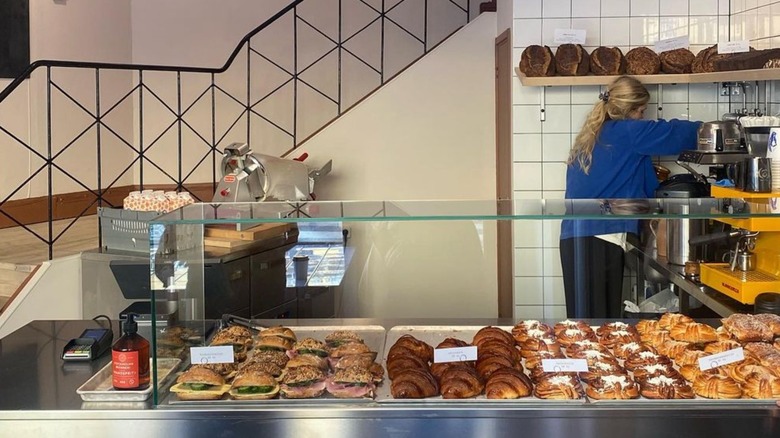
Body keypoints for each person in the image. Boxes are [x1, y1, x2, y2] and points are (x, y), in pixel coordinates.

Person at [559, 75, 701, 318]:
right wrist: (720, 129)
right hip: (600, 237)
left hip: (578, 239)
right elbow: (678, 134)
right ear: (629, 110)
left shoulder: (595, 133)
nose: (643, 118)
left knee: (585, 324)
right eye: (641, 111)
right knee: (599, 327)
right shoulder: (628, 132)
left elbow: (638, 184)